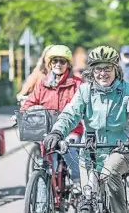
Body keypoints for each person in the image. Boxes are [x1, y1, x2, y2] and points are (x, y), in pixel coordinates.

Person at [43, 46, 129, 213]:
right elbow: (70, 114)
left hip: (121, 149)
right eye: (98, 69)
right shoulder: (85, 91)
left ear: (116, 69)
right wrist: (57, 132)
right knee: (87, 199)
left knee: (110, 172)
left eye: (108, 68)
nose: (103, 73)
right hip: (90, 153)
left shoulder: (128, 91)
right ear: (92, 71)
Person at [20, 45, 84, 190]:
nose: (58, 64)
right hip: (47, 128)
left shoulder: (78, 83)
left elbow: (86, 104)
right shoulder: (42, 83)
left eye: (62, 61)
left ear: (68, 64)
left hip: (71, 129)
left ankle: (76, 180)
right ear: (49, 63)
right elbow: (31, 101)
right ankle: (47, 188)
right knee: (48, 158)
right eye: (54, 61)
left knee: (68, 148)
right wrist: (22, 113)